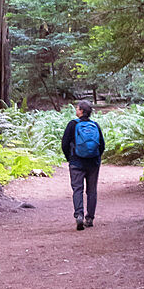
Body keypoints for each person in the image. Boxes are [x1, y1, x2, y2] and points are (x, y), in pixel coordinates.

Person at [61, 99, 105, 230]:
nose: (76, 110)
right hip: (93, 163)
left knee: (77, 189)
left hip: (76, 162)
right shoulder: (95, 125)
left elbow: (64, 144)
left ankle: (79, 215)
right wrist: (96, 157)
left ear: (81, 111)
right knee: (92, 191)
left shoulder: (72, 125)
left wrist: (70, 158)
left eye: (77, 108)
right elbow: (102, 145)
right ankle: (90, 218)